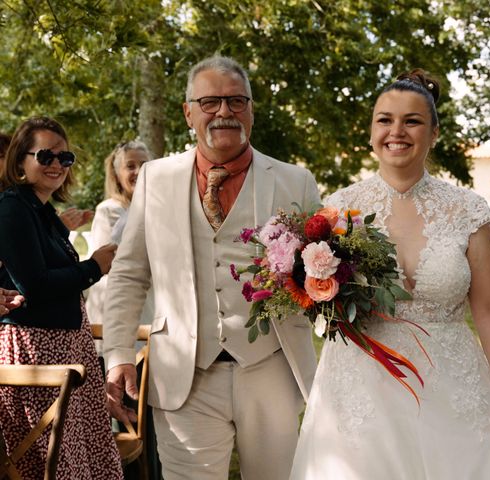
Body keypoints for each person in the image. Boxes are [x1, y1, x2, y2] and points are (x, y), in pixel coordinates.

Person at [290, 70, 490, 480]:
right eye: (385, 119)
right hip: (361, 393)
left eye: (412, 121)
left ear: (433, 133)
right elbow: (314, 302)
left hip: (455, 390)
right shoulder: (336, 210)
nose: (396, 131)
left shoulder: (467, 210)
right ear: (370, 131)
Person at [102, 55, 321, 480]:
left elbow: (320, 273)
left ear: (251, 110)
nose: (224, 112)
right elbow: (129, 272)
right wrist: (118, 354)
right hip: (185, 373)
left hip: (272, 365)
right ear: (188, 112)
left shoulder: (296, 182)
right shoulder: (155, 178)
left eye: (237, 101)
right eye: (210, 102)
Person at [0, 116, 122, 478]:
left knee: (82, 459)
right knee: (51, 463)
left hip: (67, 347)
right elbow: (34, 285)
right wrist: (93, 268)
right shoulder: (12, 208)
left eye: (64, 158)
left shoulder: (41, 210)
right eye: (46, 156)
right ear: (21, 161)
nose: (56, 165)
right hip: (37, 350)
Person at [86, 140, 154, 331]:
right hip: (114, 307)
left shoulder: (158, 209)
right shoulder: (108, 211)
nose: (138, 171)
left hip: (149, 305)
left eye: (144, 165)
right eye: (130, 166)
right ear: (117, 175)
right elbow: (107, 263)